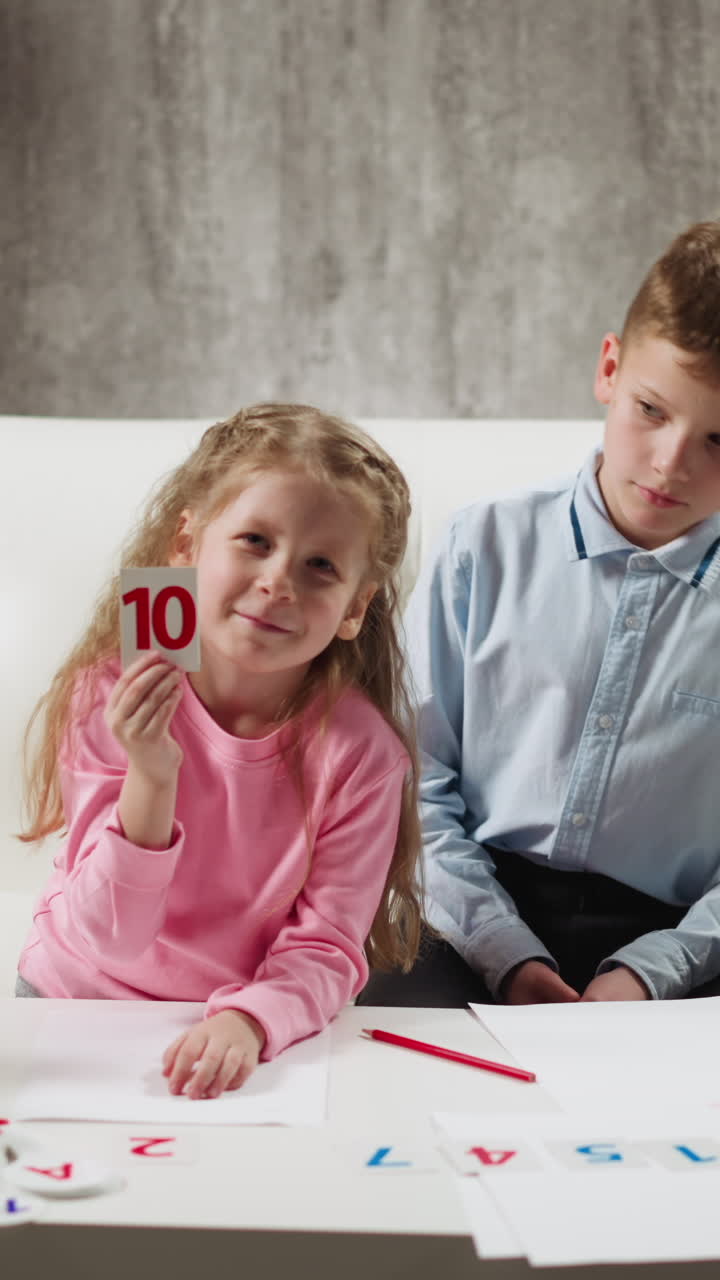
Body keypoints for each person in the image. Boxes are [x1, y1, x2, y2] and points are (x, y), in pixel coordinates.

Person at [359, 219, 720, 1009]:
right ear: (609, 368)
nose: (672, 463)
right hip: (471, 911)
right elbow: (413, 780)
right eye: (652, 411)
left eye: (718, 441)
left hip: (688, 945)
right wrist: (506, 952)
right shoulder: (483, 546)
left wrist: (651, 972)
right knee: (376, 1017)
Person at [17, 403, 422, 1096]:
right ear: (188, 544)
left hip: (234, 1030)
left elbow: (326, 946)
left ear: (356, 607)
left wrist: (251, 1023)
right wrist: (151, 773)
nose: (278, 582)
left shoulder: (363, 755)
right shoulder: (109, 691)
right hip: (72, 1002)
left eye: (321, 565)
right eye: (255, 541)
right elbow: (106, 937)